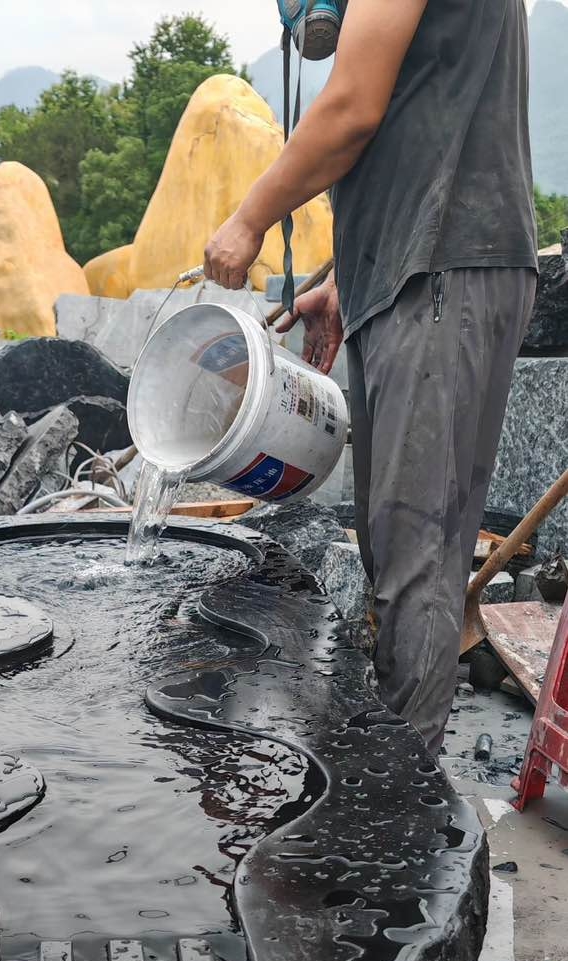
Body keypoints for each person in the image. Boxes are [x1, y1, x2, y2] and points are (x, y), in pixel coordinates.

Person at [204, 0, 538, 757]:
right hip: (421, 265)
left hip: (445, 269)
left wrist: (250, 218)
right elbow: (426, 118)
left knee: (417, 557)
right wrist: (344, 280)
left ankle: (403, 798)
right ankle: (390, 767)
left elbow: (353, 107)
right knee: (395, 545)